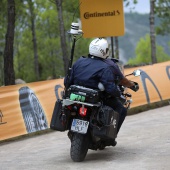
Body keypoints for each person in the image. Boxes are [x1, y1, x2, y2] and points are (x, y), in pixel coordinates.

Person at [64, 38, 137, 145]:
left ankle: (72, 129)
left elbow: (67, 81)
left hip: (75, 96)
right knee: (121, 109)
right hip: (94, 98)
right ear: (104, 51)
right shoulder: (105, 67)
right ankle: (110, 137)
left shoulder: (79, 62)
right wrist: (118, 94)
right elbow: (110, 88)